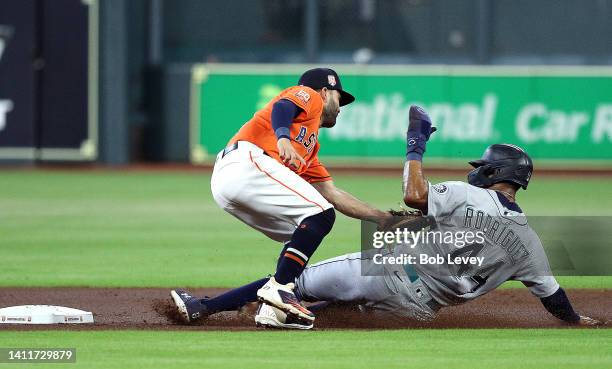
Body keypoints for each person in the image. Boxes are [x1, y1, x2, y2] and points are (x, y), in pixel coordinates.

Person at [272, 105, 600, 329]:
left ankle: (221, 310)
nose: (477, 172)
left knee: (288, 283)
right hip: (417, 312)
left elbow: (413, 193)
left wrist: (416, 143)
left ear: (496, 172)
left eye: (482, 167)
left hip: (387, 274)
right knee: (326, 320)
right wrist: (574, 320)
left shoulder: (469, 194)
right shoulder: (529, 244)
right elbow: (554, 297)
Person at [170, 68, 392, 325]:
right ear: (324, 91)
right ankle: (278, 291)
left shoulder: (308, 149)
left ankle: (204, 307)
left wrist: (382, 218)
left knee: (296, 250)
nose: (340, 106)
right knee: (320, 216)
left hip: (233, 182)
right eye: (338, 97)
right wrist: (283, 137)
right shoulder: (309, 96)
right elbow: (283, 108)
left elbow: (332, 193)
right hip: (247, 162)